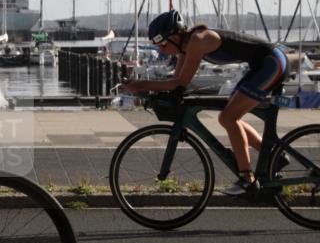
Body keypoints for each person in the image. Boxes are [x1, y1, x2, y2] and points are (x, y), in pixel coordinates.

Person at [121, 10, 291, 197]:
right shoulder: (184, 48)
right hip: (262, 65)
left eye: (162, 44)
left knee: (229, 117)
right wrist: (147, 89)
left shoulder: (197, 40)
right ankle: (274, 155)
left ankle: (247, 179)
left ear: (175, 37)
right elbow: (177, 82)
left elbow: (181, 81)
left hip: (273, 62)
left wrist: (141, 85)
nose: (162, 50)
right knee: (227, 117)